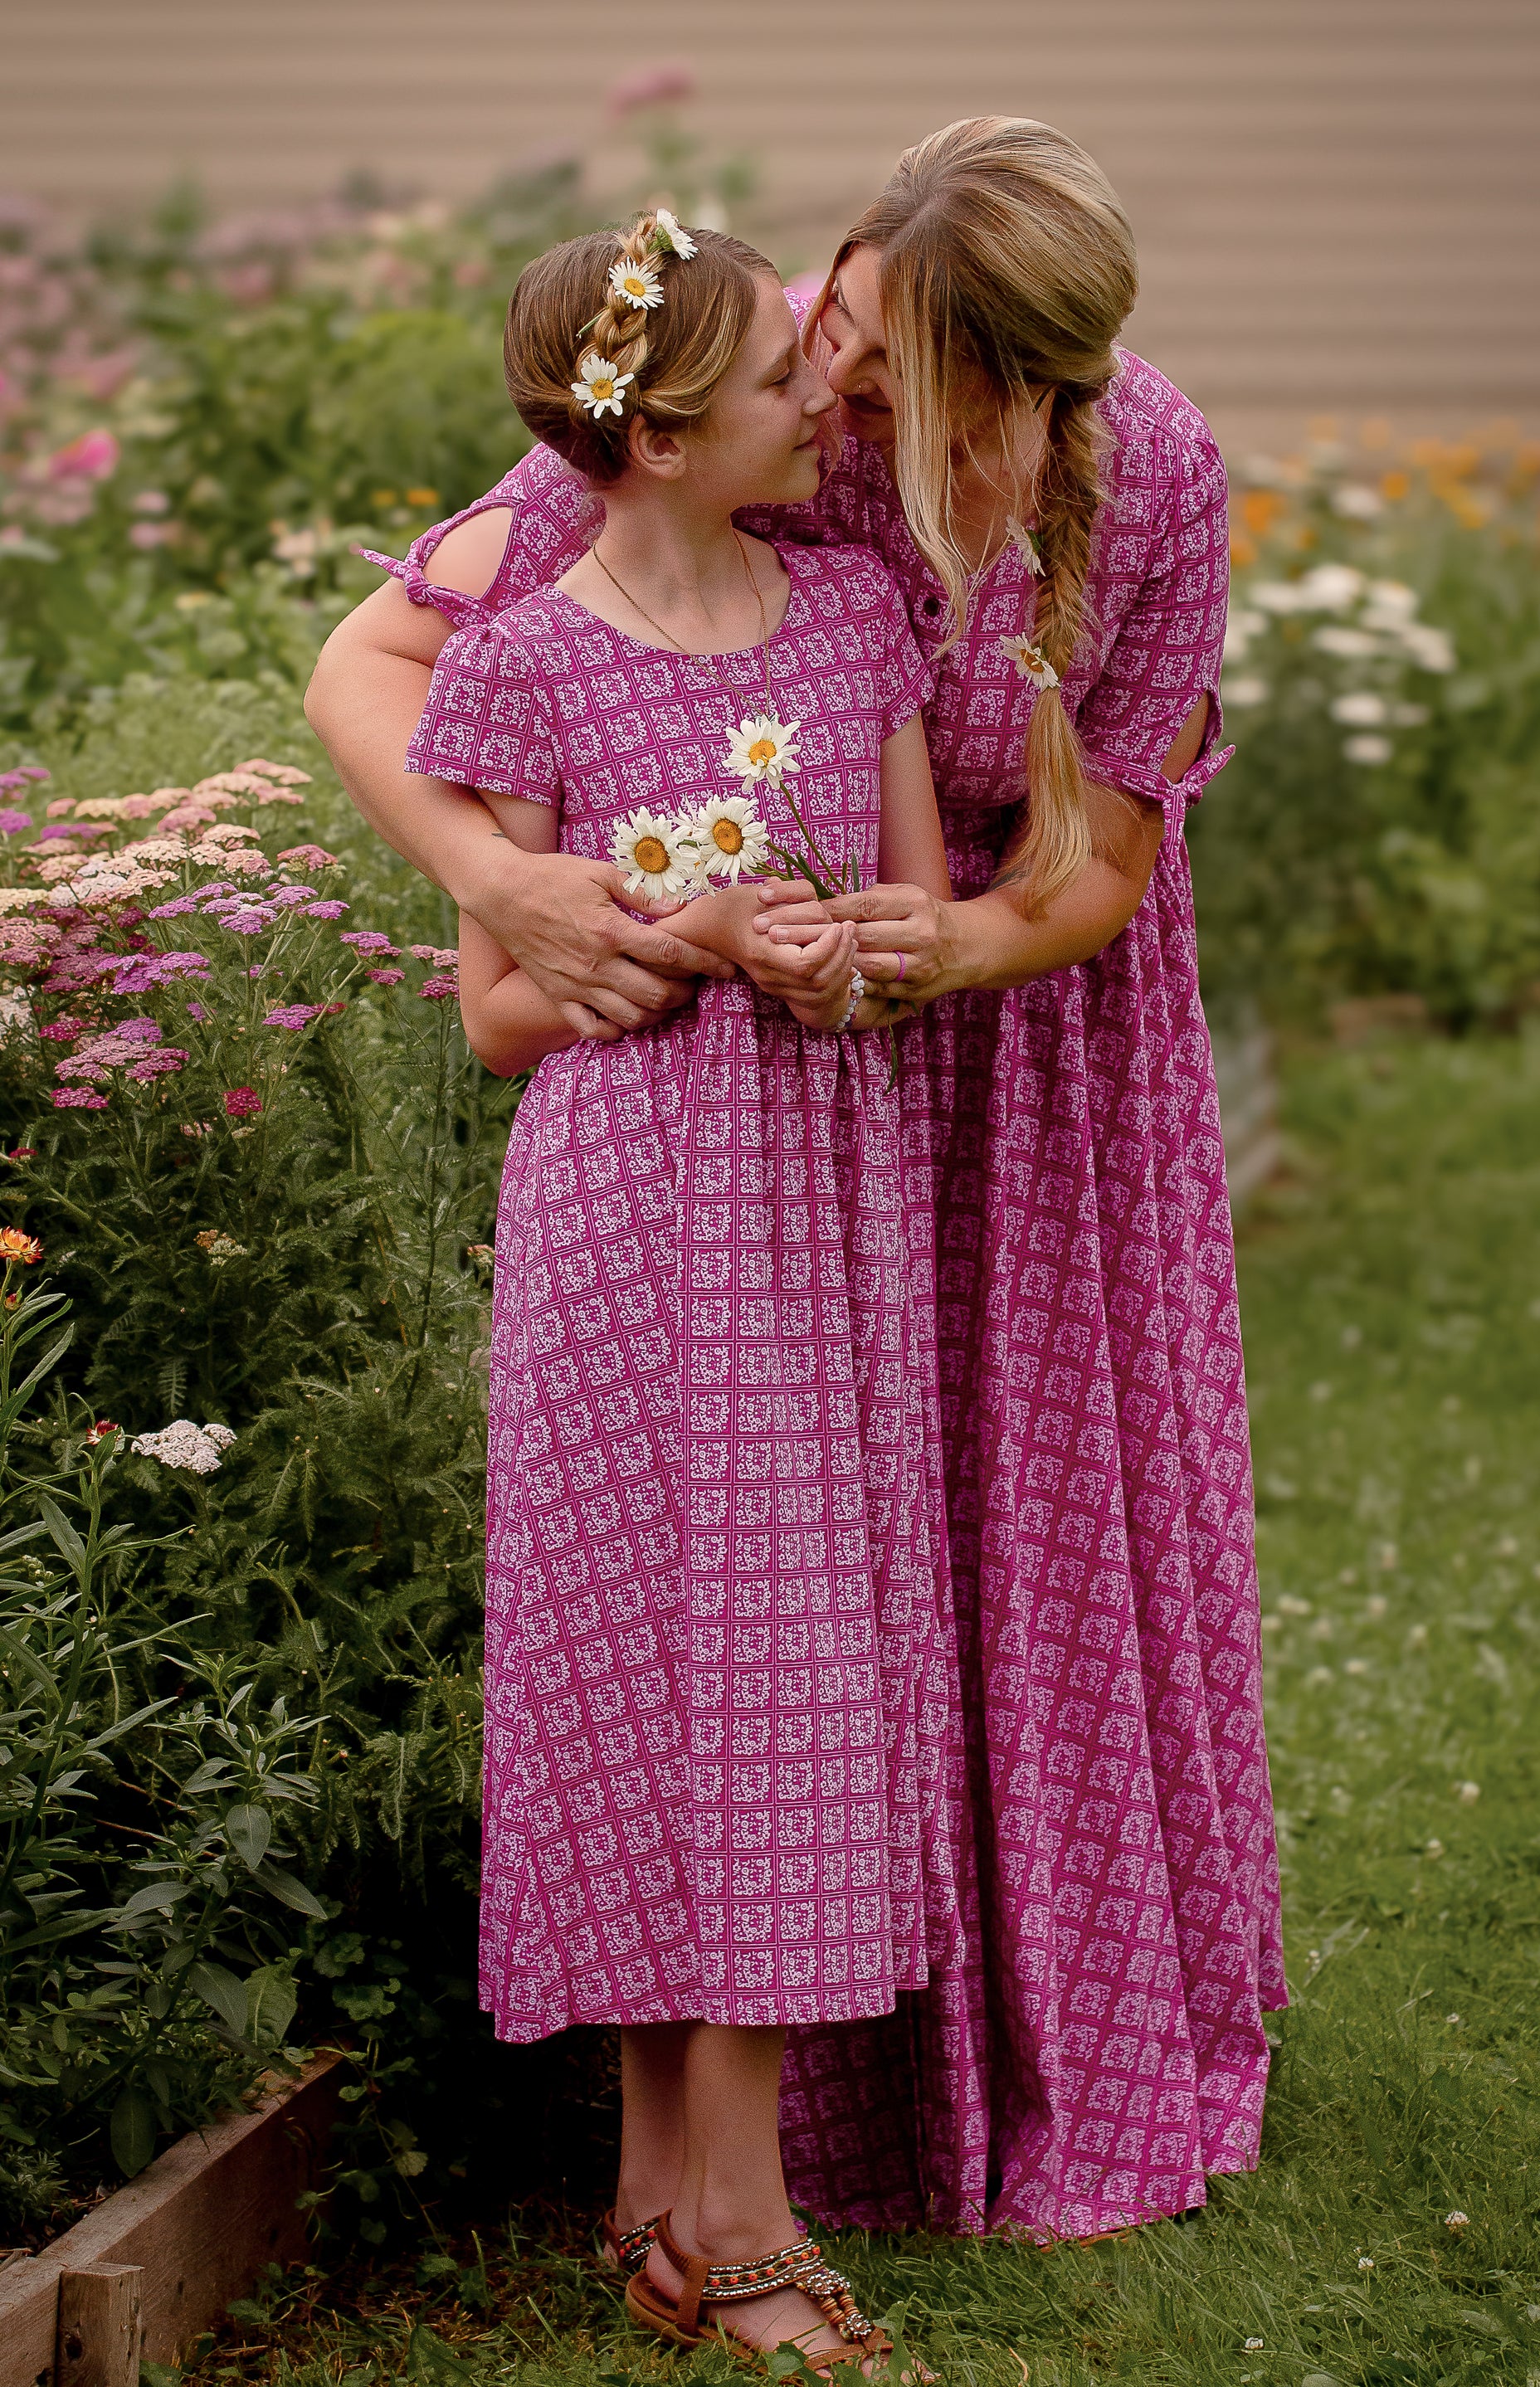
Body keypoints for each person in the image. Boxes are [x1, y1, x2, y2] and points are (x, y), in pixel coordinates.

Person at [307, 116, 1284, 2245]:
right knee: (768, 1563)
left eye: (875, 375)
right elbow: (378, 662)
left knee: (1015, 1521)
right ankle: (754, 2157)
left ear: (1014, 403)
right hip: (728, 1102)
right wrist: (511, 885)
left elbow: (1103, 855)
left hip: (1025, 1053)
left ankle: (1027, 2045)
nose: (831, 389)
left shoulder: (1153, 483)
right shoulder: (737, 409)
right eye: (825, 328)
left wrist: (962, 940)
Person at [397, 207, 956, 2378]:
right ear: (644, 438)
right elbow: (493, 1017)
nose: (817, 398)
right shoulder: (530, 656)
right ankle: (717, 2212)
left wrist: (840, 943)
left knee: (794, 1678)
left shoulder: (849, 618)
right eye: (769, 386)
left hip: (824, 1203)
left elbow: (906, 915)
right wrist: (690, 929)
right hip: (628, 1217)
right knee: (649, 1667)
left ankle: (695, 2194)